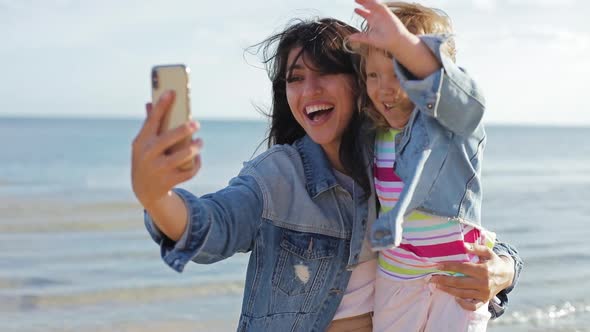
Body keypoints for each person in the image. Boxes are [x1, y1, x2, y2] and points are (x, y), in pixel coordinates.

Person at [130, 17, 522, 332]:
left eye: (325, 73)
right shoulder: (278, 175)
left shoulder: (391, 157)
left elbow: (460, 230)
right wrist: (155, 196)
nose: (309, 90)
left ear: (359, 81)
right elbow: (212, 227)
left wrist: (501, 270)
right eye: (295, 78)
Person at [348, 0, 511, 331]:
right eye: (373, 75)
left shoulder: (456, 127)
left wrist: (407, 46)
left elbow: (462, 97)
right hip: (398, 279)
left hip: (459, 280)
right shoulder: (375, 134)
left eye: (400, 73)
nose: (384, 88)